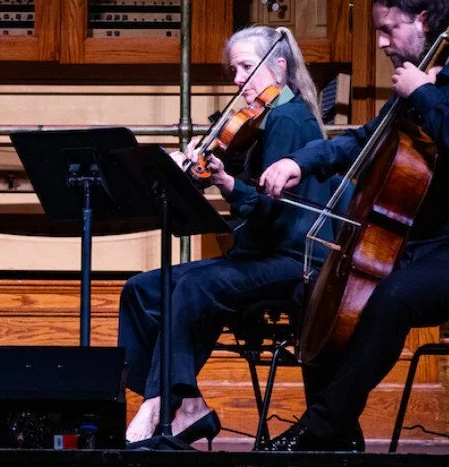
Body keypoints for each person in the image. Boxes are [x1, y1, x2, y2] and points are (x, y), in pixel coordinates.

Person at [259, 0, 449, 451]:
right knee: (312, 295)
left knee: (395, 297)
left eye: (388, 28)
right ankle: (340, 435)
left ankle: (319, 430)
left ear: (423, 20)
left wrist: (423, 92)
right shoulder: (412, 89)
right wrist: (300, 161)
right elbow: (365, 141)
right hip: (418, 249)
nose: (381, 42)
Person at [117, 25, 336, 446]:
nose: (236, 80)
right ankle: (188, 405)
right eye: (233, 69)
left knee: (196, 285)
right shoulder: (259, 124)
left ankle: (162, 401)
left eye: (245, 67)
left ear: (278, 67)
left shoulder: (289, 119)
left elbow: (271, 210)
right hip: (257, 256)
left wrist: (225, 181)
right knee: (141, 291)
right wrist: (193, 171)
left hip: (292, 261)